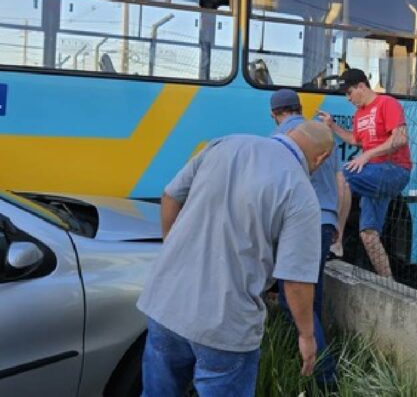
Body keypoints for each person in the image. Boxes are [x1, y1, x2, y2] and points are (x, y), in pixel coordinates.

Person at [137, 121, 334, 397]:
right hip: (225, 324)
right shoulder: (301, 192)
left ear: (289, 134)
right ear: (321, 158)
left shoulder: (225, 143)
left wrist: (171, 246)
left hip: (166, 305)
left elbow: (170, 196)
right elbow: (296, 280)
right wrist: (307, 336)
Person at [269, 88, 342, 384]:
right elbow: (340, 183)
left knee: (292, 299)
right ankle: (315, 367)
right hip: (325, 222)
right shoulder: (321, 135)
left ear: (275, 115)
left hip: (299, 224)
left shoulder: (280, 141)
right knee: (312, 300)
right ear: (299, 107)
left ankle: (325, 378)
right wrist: (336, 222)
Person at [319, 68, 411, 277]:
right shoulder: (359, 114)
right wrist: (332, 126)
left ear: (362, 86)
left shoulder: (387, 103)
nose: (348, 98)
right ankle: (390, 283)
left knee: (343, 175)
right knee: (368, 235)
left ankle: (337, 242)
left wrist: (367, 156)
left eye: (349, 92)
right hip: (374, 174)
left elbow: (400, 139)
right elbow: (354, 140)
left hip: (394, 170)